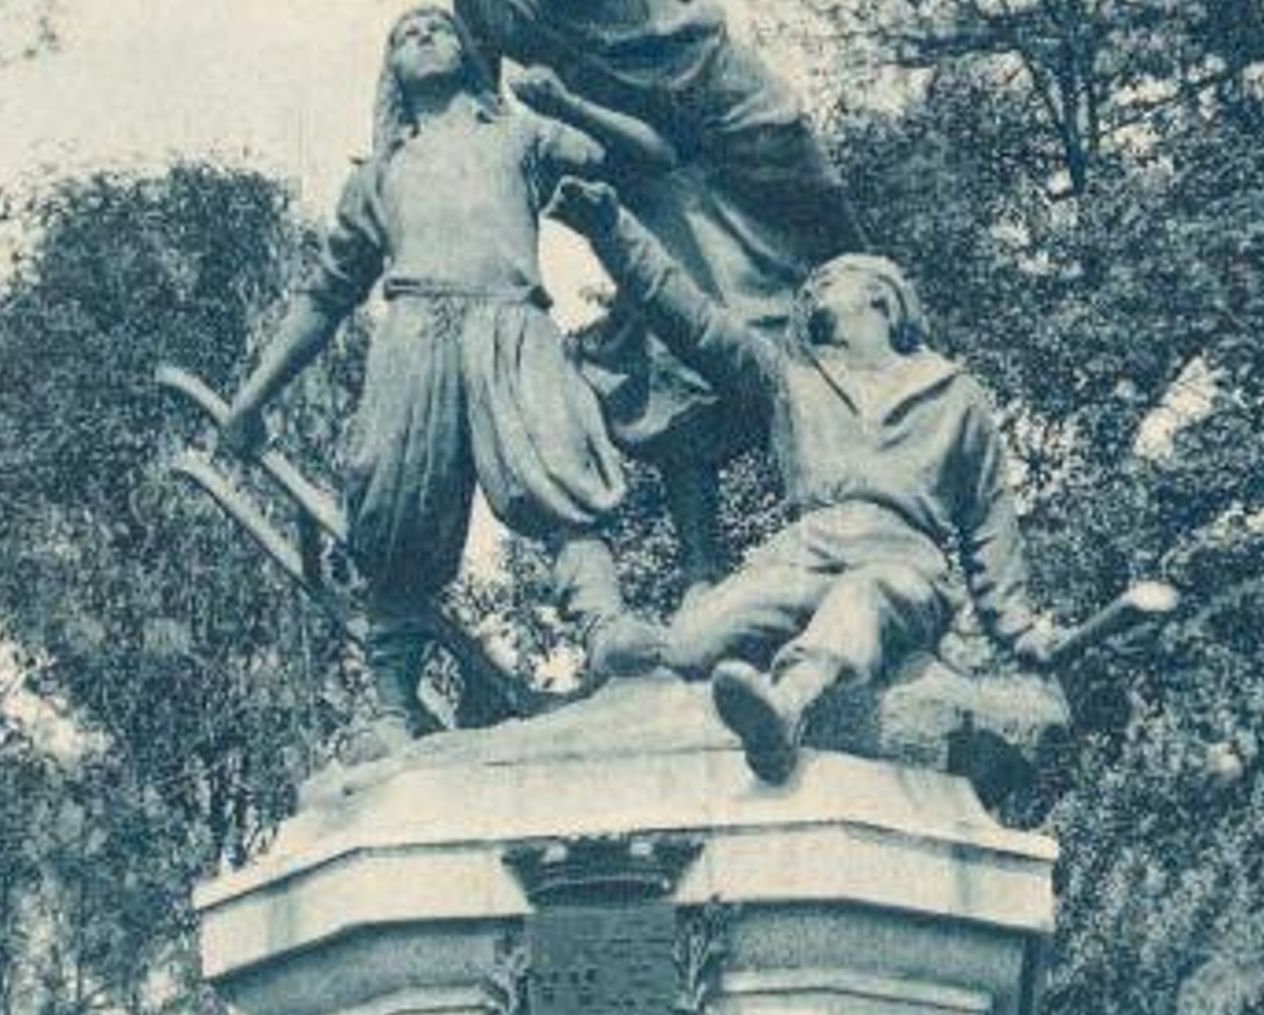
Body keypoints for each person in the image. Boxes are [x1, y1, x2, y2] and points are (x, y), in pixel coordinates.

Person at [219, 8, 665, 754]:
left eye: (439, 26)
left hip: (513, 326)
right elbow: (325, 297)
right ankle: (393, 707)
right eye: (405, 34)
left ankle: (608, 631)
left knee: (559, 478)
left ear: (469, 50)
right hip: (413, 339)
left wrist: (567, 103)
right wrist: (251, 397)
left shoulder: (522, 138)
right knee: (395, 517)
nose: (424, 35)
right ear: (391, 69)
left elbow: (645, 155)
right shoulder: (377, 178)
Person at [544, 175, 1061, 784]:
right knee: (687, 644)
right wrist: (612, 230)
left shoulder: (955, 395)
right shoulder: (792, 380)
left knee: (866, 596)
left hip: (901, 562)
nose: (810, 290)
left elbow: (990, 519)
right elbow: (694, 322)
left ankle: (786, 706)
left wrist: (1018, 629)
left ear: (882, 299)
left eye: (828, 282)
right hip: (801, 554)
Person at [454, 0, 864, 589]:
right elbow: (478, 110)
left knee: (824, 287)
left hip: (722, 107)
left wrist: (565, 102)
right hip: (633, 155)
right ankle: (701, 568)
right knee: (663, 332)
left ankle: (856, 513)